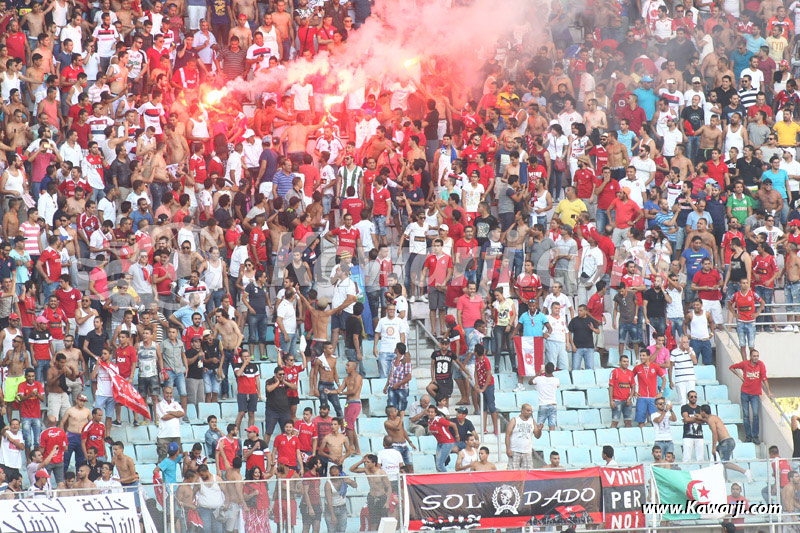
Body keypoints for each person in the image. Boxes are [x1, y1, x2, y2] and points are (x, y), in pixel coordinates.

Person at [729, 349, 773, 444]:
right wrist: (740, 376)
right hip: (745, 392)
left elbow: (764, 378)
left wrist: (769, 391)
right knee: (746, 415)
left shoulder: (761, 364)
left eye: (757, 356)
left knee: (756, 415)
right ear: (750, 357)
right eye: (754, 356)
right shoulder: (745, 364)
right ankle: (748, 436)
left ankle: (755, 436)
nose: (756, 358)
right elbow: (732, 367)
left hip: (755, 394)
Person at [505, 403, 543, 469]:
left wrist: (539, 430)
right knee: (513, 472)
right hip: (515, 450)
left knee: (527, 474)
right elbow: (508, 435)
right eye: (528, 411)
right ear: (522, 410)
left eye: (531, 411)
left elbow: (537, 436)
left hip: (527, 452)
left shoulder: (532, 421)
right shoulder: (514, 420)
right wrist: (508, 449)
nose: (530, 412)